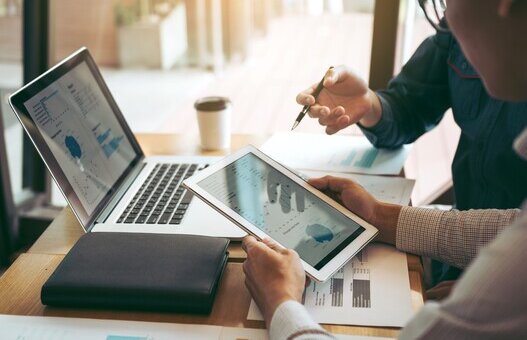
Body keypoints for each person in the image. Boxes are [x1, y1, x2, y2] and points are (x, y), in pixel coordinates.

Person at [242, 0, 527, 338]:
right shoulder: (469, 38)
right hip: (459, 259)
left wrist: (280, 302)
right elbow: (513, 225)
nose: (446, 15)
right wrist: (382, 217)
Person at [296, 0, 527, 285]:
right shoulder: (460, 27)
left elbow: (520, 237)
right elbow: (409, 106)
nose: (447, 16)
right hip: (455, 252)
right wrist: (369, 105)